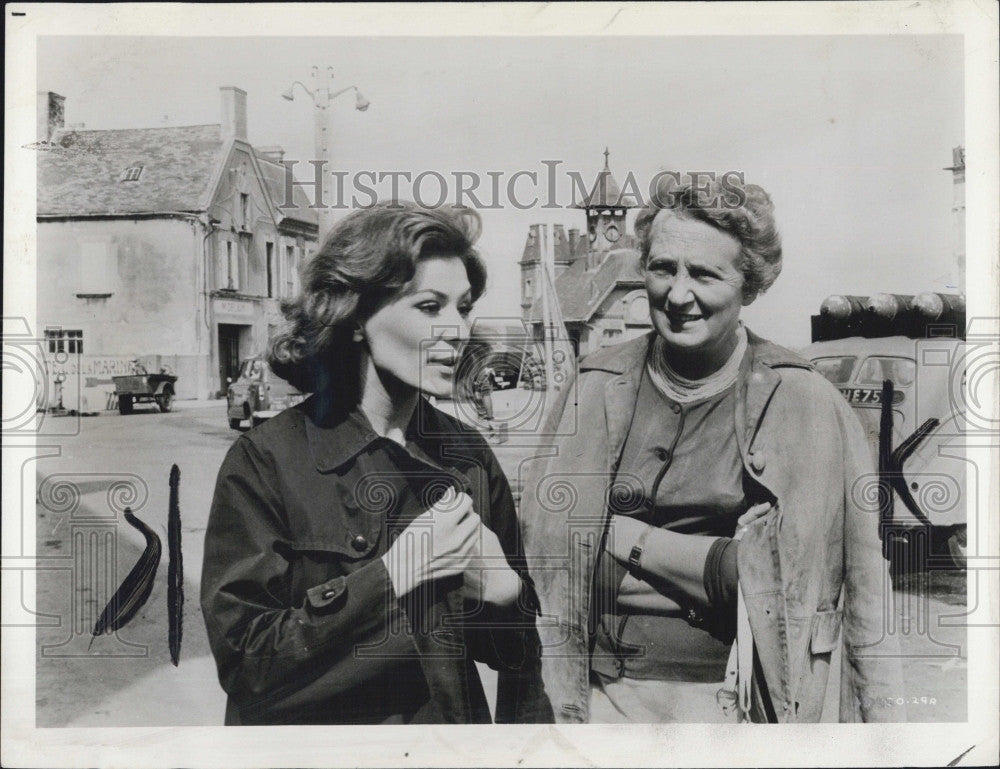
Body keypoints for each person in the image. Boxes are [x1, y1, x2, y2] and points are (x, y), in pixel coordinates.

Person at [520, 176, 904, 723]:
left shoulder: (809, 403)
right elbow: (546, 564)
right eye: (663, 268)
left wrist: (623, 537)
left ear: (749, 286)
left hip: (746, 709)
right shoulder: (591, 386)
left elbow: (866, 596)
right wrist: (717, 569)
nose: (678, 295)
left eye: (704, 273)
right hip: (599, 704)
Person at [201, 201, 552, 725]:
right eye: (430, 307)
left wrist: (505, 595)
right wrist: (393, 575)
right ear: (357, 316)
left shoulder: (468, 456)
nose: (457, 330)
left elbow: (512, 663)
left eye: (464, 307)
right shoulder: (267, 461)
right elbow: (247, 666)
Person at [472, 364, 497, 437]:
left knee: (483, 392)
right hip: (483, 368)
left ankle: (487, 421)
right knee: (483, 393)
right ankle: (489, 421)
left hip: (478, 368)